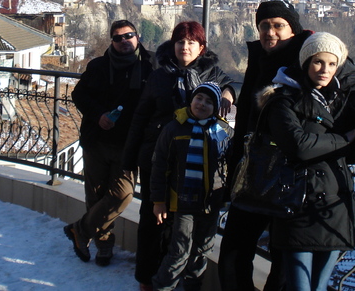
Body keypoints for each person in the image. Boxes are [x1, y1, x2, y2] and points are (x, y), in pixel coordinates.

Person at [219, 0, 355, 291]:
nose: (270, 32)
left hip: (298, 179)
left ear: (293, 29)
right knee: (233, 256)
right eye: (264, 26)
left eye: (278, 26)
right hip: (258, 174)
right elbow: (247, 118)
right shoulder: (260, 56)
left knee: (284, 268)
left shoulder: (316, 52)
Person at [259, 32, 355, 291]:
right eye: (318, 62)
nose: (325, 70)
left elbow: (351, 156)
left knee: (319, 287)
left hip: (333, 205)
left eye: (332, 64)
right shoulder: (281, 101)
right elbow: (298, 147)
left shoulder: (337, 101)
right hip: (297, 203)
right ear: (305, 63)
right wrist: (348, 136)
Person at [122, 20, 237, 291]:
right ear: (172, 45)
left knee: (186, 226)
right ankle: (148, 277)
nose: (185, 47)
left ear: (201, 48)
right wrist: (129, 160)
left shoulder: (212, 73)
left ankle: (182, 278)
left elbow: (230, 86)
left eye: (191, 43)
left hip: (196, 163)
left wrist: (229, 96)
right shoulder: (159, 75)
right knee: (153, 218)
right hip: (159, 155)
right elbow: (140, 117)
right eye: (180, 42)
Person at [64, 20, 155, 266]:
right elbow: (79, 95)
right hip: (97, 140)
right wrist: (99, 116)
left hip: (129, 144)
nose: (124, 40)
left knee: (123, 194)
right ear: (111, 42)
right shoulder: (99, 66)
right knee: (96, 195)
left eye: (129, 35)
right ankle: (104, 246)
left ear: (137, 37)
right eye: (118, 37)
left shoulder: (150, 66)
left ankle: (80, 231)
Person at [150, 82, 233, 291]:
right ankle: (163, 286)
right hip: (183, 201)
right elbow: (160, 166)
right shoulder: (175, 127)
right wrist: (159, 201)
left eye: (208, 101)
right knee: (179, 250)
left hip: (211, 202)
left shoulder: (222, 131)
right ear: (191, 99)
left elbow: (231, 164)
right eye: (199, 98)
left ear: (216, 107)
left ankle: (192, 286)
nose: (202, 104)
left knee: (202, 249)